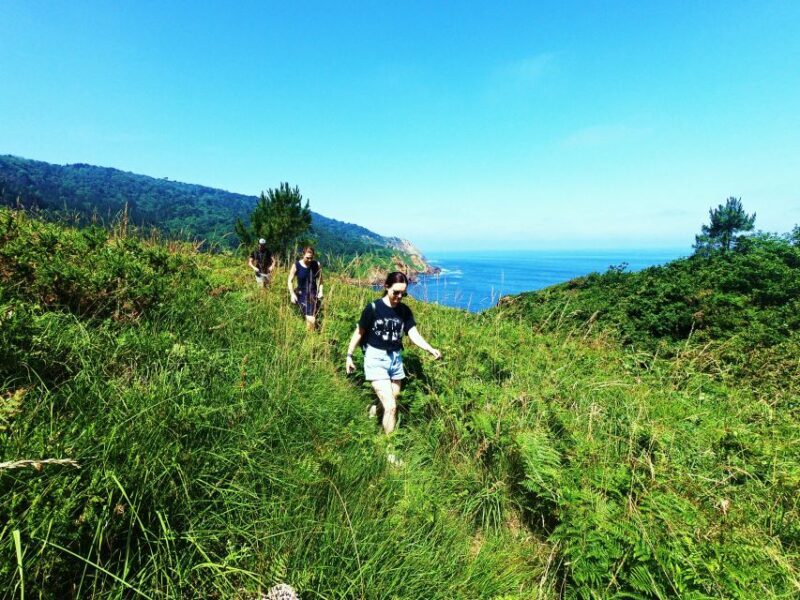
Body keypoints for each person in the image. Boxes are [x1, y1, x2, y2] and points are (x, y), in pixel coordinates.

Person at [345, 271, 441, 435]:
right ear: (386, 286)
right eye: (395, 292)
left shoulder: (404, 311)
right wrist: (349, 355)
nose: (398, 297)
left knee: (391, 400)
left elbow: (413, 333)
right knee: (391, 407)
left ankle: (374, 410)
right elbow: (359, 332)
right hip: (376, 359)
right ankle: (389, 450)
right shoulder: (373, 308)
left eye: (402, 294)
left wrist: (429, 348)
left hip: (396, 360)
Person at [287, 246, 323, 331]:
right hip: (301, 292)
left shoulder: (316, 264)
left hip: (313, 293)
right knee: (311, 319)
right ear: (303, 255)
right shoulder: (296, 265)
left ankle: (309, 336)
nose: (309, 260)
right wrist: (292, 294)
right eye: (307, 258)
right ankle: (309, 337)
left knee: (311, 318)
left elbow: (321, 280)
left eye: (311, 258)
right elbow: (289, 281)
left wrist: (321, 291)